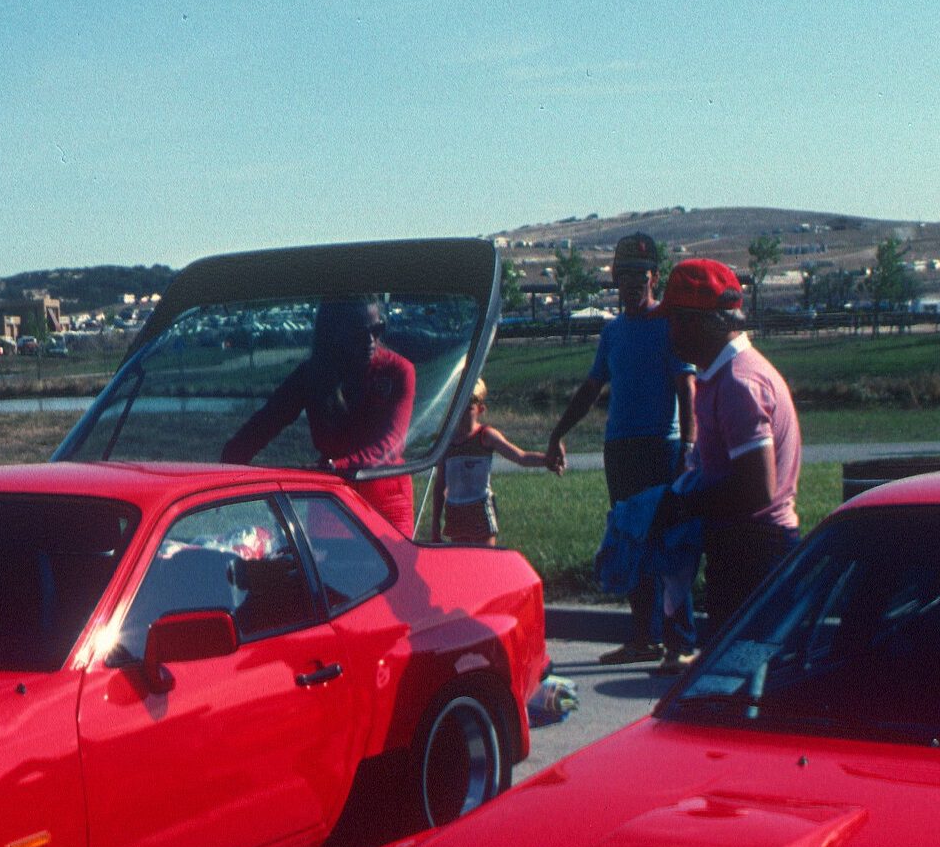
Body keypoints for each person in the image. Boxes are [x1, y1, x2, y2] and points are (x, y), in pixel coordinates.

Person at [546, 233, 687, 661]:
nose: (630, 286)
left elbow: (687, 386)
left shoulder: (671, 327)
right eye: (622, 277)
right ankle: (642, 637)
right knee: (629, 540)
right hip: (620, 449)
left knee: (666, 542)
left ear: (654, 277)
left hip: (662, 447)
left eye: (638, 277)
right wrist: (558, 433)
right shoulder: (612, 333)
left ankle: (675, 641)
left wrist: (693, 444)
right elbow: (590, 389)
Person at [659, 259, 801, 653]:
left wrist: (684, 505)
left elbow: (757, 490)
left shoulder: (740, 383)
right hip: (744, 545)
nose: (668, 332)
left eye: (674, 320)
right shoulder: (724, 376)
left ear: (701, 322)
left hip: (757, 551)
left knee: (742, 680)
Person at [221, 296, 419, 534]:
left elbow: (391, 445)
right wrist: (227, 465)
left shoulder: (398, 371)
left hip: (385, 499)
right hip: (332, 501)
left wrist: (335, 467)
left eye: (377, 329)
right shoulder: (312, 375)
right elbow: (266, 422)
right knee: (328, 569)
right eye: (358, 333)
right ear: (333, 334)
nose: (370, 340)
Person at [436, 378, 548, 546]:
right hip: (455, 510)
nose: (462, 412)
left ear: (481, 409)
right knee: (461, 561)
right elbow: (439, 485)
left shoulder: (486, 436)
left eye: (469, 408)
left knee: (484, 559)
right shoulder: (447, 441)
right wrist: (435, 527)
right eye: (459, 406)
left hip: (479, 508)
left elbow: (521, 457)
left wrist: (548, 460)